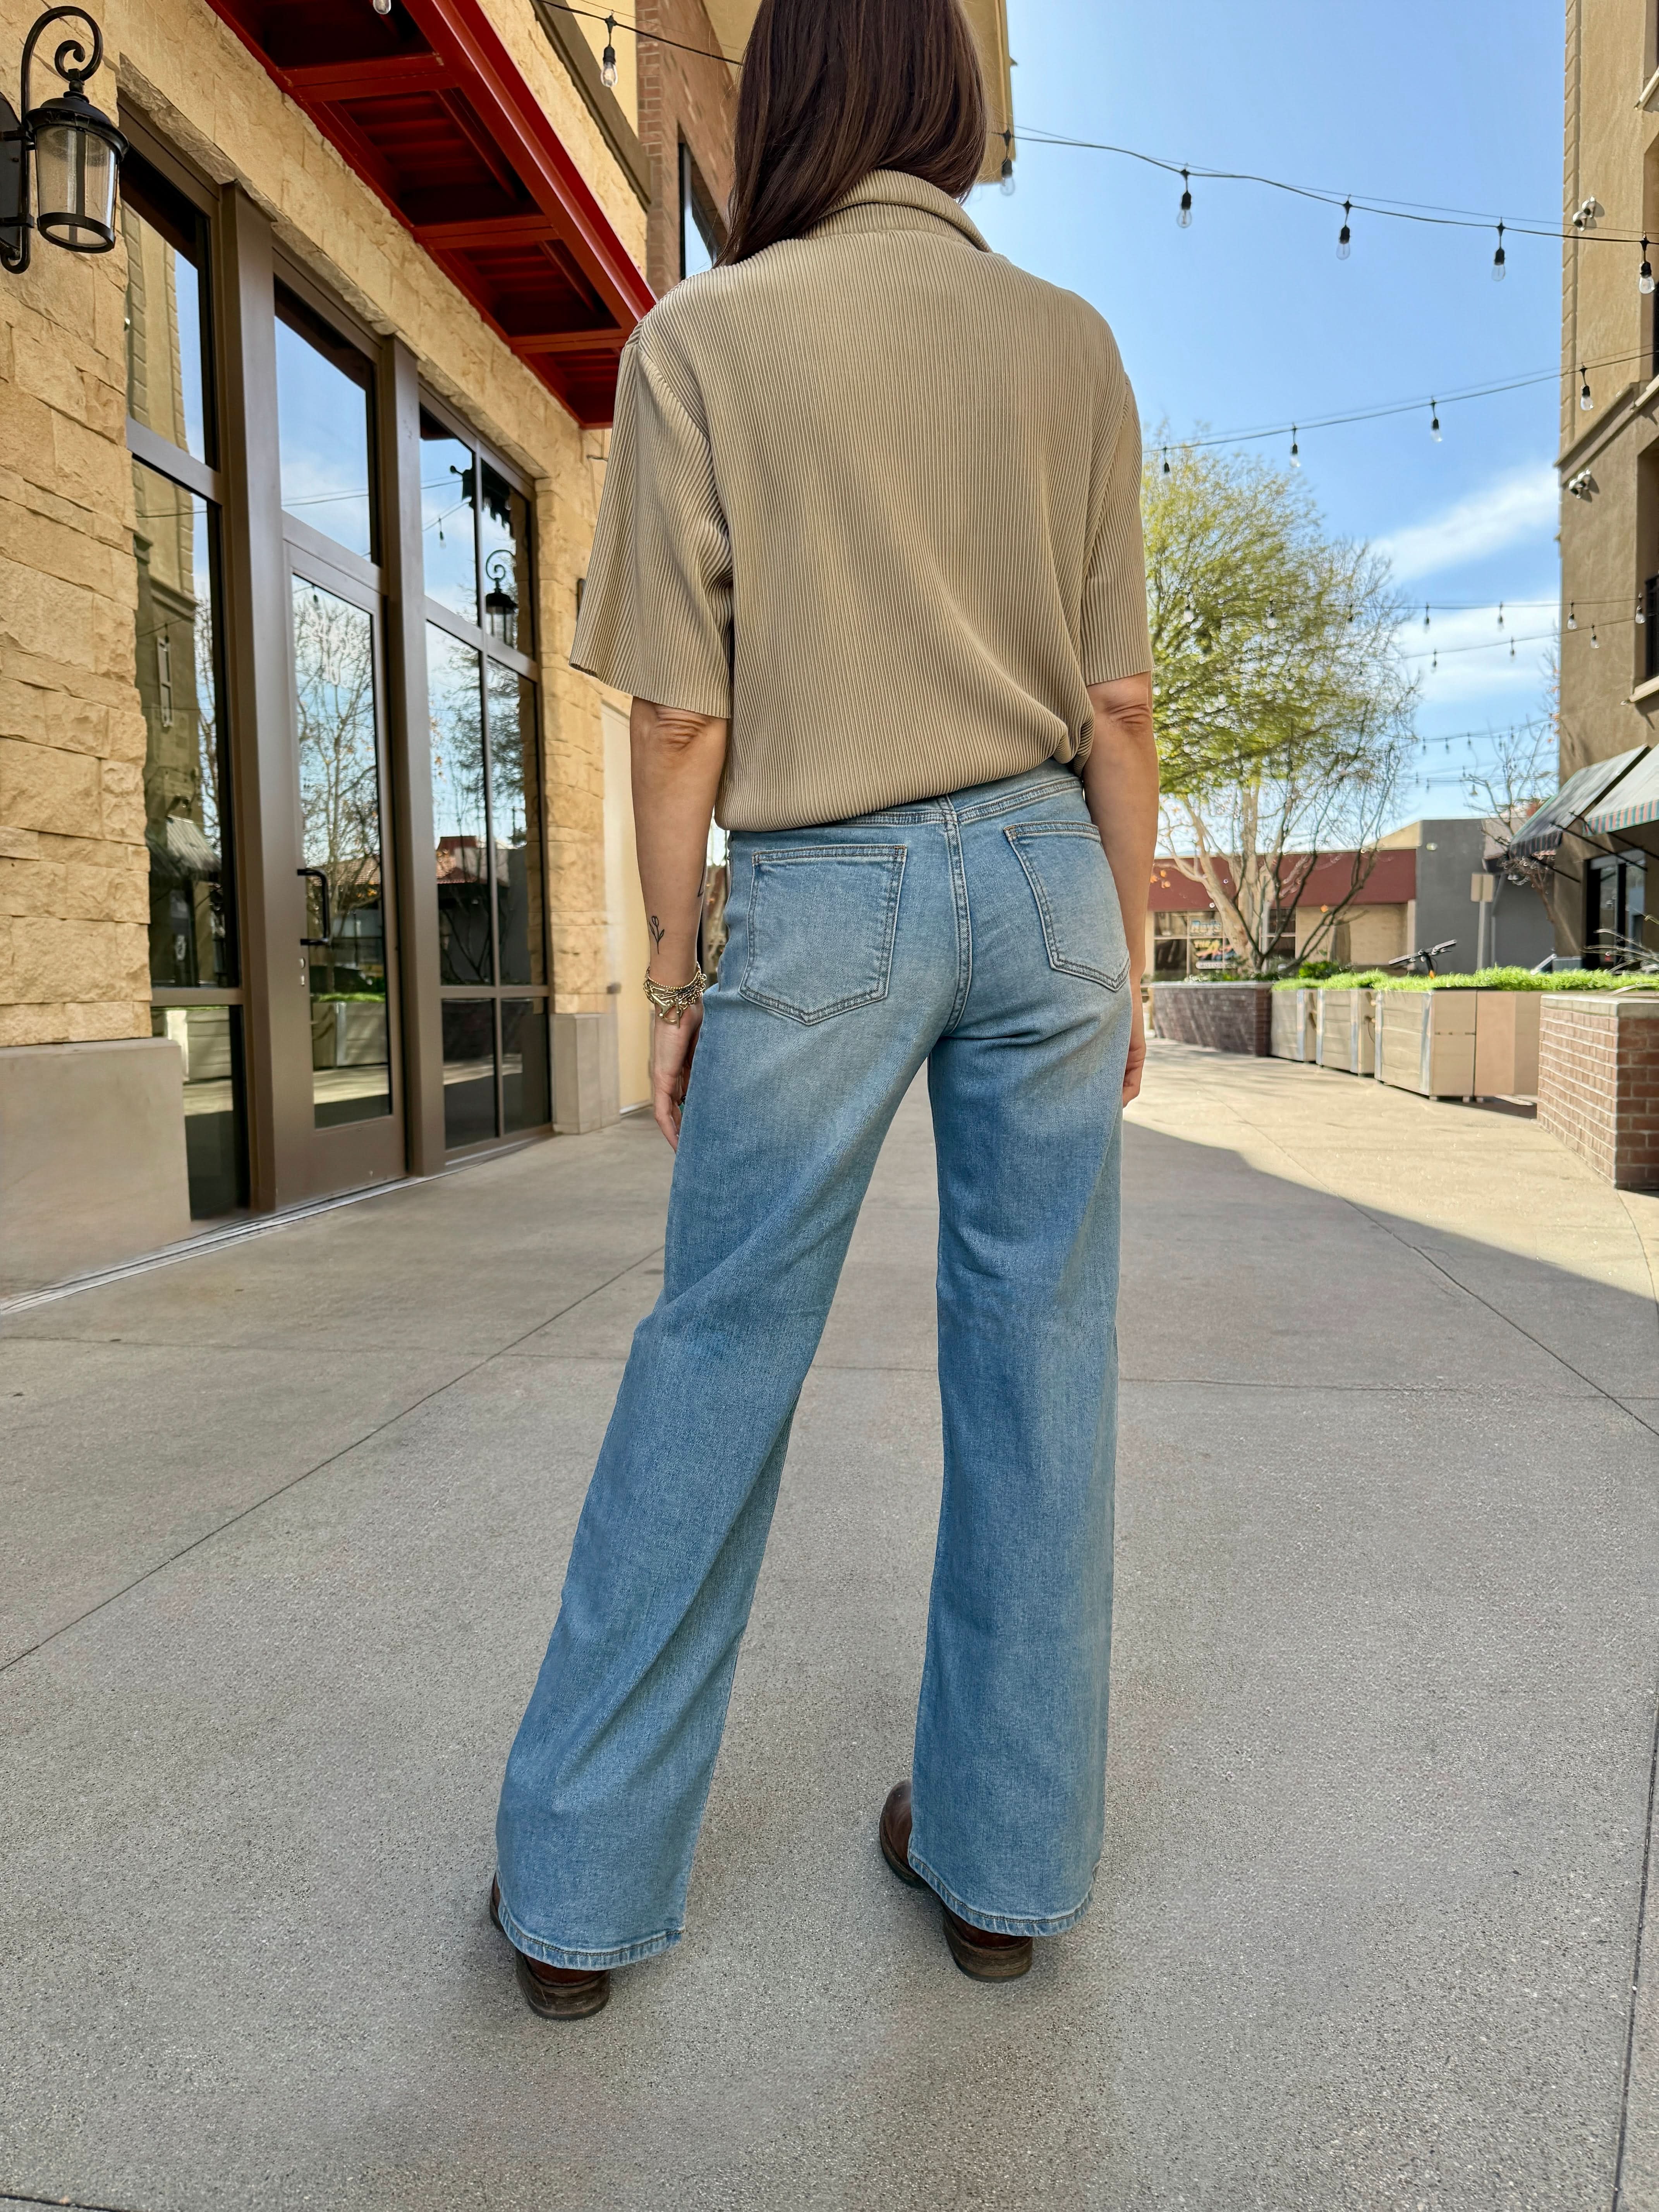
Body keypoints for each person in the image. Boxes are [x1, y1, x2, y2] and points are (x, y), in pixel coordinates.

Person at [489, 0, 1158, 2018]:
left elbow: (676, 723)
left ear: (785, 102)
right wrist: (1124, 954)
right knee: (1041, 1369)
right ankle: (1003, 1867)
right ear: (945, 103)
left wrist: (678, 973)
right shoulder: (1073, 346)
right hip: (1046, 879)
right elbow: (1120, 705)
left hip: (821, 885)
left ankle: (579, 1889)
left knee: (714, 1354)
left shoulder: (702, 343)